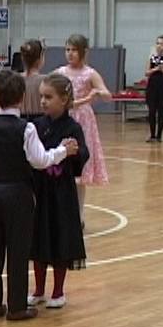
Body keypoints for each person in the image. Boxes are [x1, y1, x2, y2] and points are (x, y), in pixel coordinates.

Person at [0, 69, 78, 321]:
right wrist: (62, 151)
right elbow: (41, 161)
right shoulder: (26, 129)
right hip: (19, 192)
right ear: (21, 98)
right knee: (18, 249)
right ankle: (17, 306)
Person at [28, 73, 89, 310]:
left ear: (64, 100)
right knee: (39, 239)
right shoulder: (36, 126)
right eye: (41, 96)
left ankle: (58, 291)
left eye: (48, 97)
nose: (43, 101)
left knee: (60, 238)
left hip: (62, 194)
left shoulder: (73, 128)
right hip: (40, 191)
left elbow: (83, 155)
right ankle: (38, 289)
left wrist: (74, 152)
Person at [57, 34, 111, 226]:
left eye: (74, 50)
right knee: (60, 164)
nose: (70, 54)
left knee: (80, 169)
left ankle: (79, 214)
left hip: (83, 120)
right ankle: (62, 212)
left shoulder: (90, 73)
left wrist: (99, 92)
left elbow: (107, 94)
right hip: (64, 118)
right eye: (67, 50)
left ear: (83, 52)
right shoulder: (61, 72)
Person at [19, 39, 46, 122]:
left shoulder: (15, 79)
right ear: (40, 59)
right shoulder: (45, 80)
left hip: (20, 121)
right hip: (41, 121)